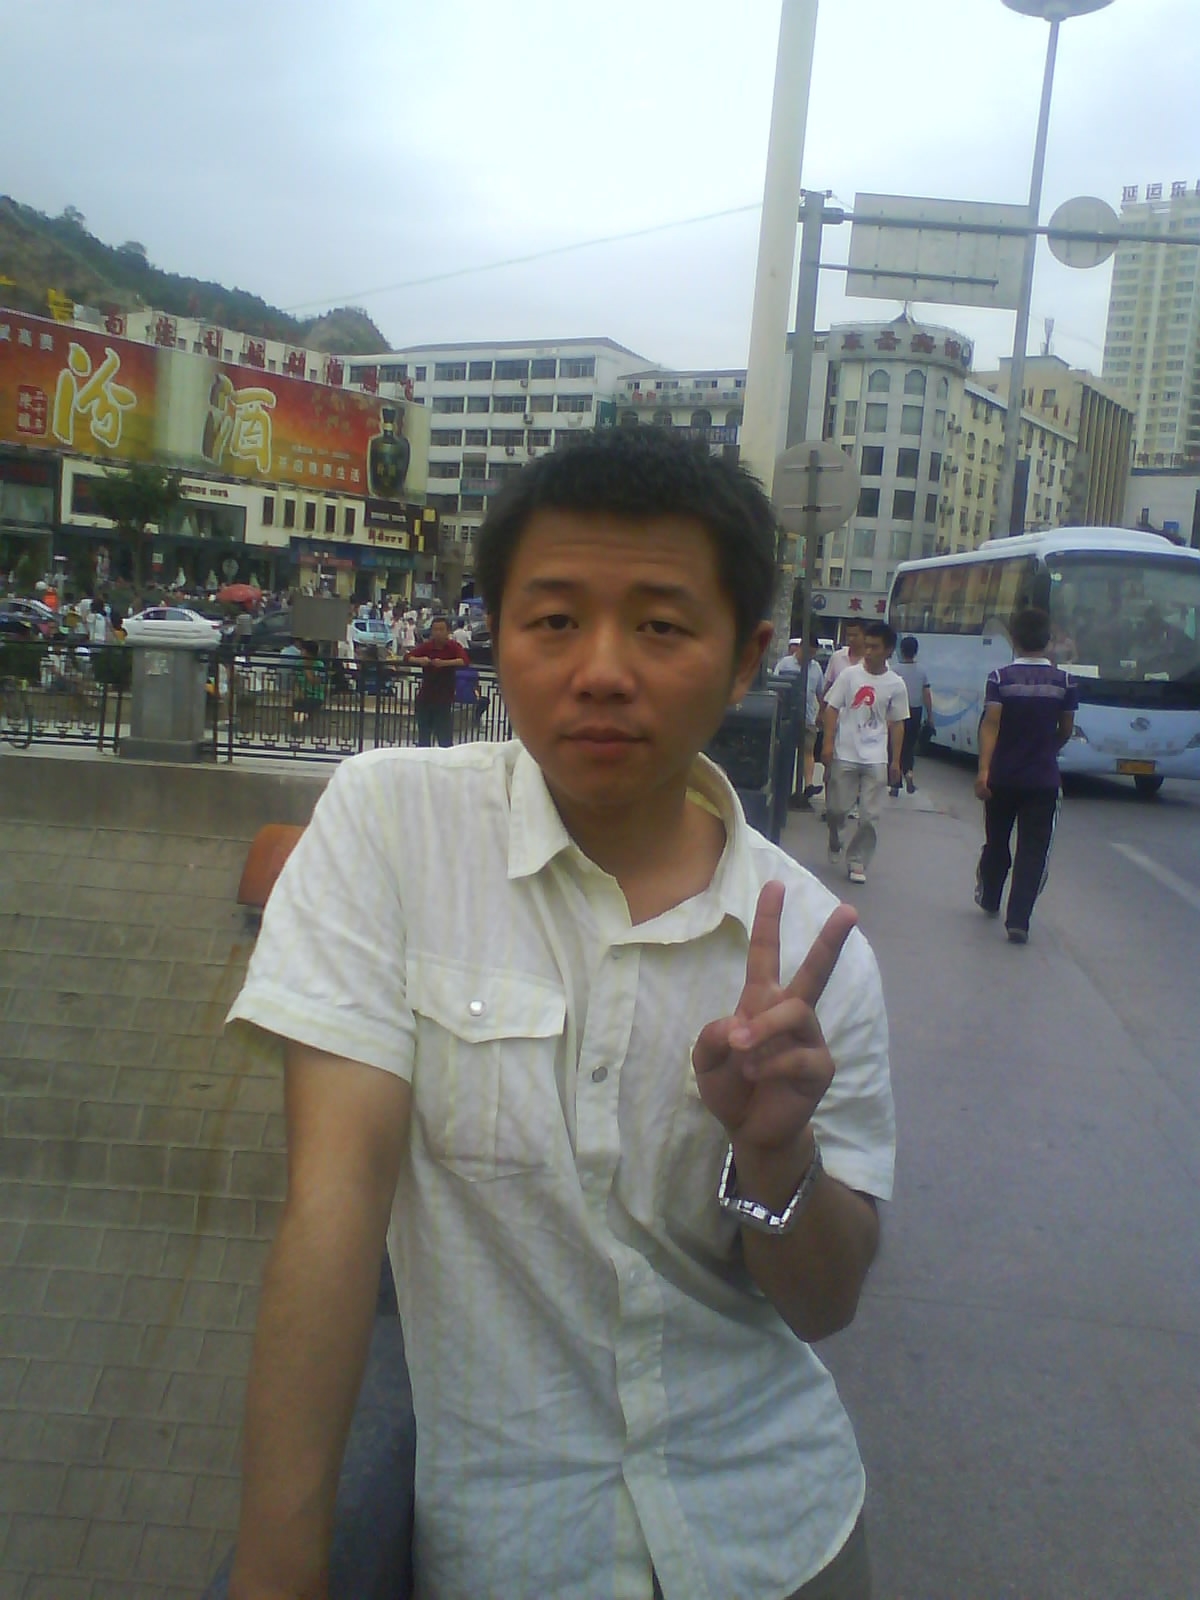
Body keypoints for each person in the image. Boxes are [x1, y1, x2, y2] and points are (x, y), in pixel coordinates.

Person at [224, 426, 894, 1600]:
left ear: (748, 658)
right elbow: (333, 1206)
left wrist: (774, 1153)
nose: (602, 670)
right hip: (515, 1552)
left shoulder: (813, 949)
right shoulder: (391, 828)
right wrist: (279, 1573)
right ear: (497, 632)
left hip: (782, 1542)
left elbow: (827, 1303)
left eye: (662, 626)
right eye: (553, 620)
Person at [974, 606, 1078, 944]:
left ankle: (990, 896)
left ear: (1014, 639)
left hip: (1001, 777)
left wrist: (984, 770)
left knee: (997, 841)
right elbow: (1066, 728)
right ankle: (1018, 920)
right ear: (1048, 641)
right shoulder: (1064, 682)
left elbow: (990, 724)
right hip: (1042, 780)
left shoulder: (1000, 678)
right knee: (1032, 851)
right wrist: (1047, 749)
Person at [822, 621, 908, 885]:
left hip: (876, 756)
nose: (868, 652)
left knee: (870, 815)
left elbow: (898, 723)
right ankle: (835, 838)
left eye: (875, 647)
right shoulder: (850, 676)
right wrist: (827, 743)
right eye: (866, 646)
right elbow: (831, 708)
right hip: (846, 752)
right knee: (837, 809)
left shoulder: (896, 684)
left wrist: (896, 760)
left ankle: (858, 860)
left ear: (888, 650)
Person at [404, 614, 469, 747]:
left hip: (443, 700)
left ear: (448, 632)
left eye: (441, 629)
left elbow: (464, 661)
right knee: (424, 740)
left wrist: (444, 663)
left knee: (444, 740)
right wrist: (420, 660)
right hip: (425, 698)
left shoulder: (453, 646)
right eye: (435, 630)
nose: (438, 633)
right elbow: (407, 657)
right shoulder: (427, 646)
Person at [777, 636, 825, 806]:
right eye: (808, 653)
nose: (810, 657)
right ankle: (784, 789)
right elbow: (776, 686)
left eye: (813, 654)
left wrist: (821, 714)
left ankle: (808, 785)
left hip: (808, 716)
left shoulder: (816, 668)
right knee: (786, 754)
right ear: (800, 648)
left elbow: (820, 693)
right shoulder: (785, 664)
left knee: (808, 751)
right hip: (788, 717)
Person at [889, 636, 934, 797]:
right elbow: (927, 694)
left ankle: (895, 784)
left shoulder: (894, 670)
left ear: (901, 650)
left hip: (897, 713)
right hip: (915, 712)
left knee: (895, 747)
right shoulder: (922, 671)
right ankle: (908, 773)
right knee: (909, 746)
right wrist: (930, 716)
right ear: (916, 651)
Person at [821, 619, 865, 698]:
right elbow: (827, 685)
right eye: (848, 635)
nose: (851, 639)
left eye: (855, 635)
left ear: (864, 636)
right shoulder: (836, 657)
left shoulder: (872, 660)